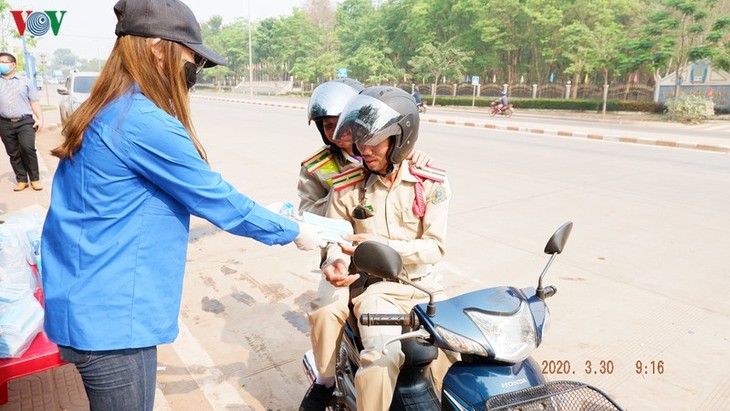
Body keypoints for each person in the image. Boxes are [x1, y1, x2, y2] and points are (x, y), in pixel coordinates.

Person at [40, 1, 322, 410]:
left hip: (88, 301)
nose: (192, 72)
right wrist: (295, 231)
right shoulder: (140, 120)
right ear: (159, 49)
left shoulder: (108, 108)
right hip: (114, 320)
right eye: (191, 59)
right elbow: (218, 199)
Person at [299, 81, 431, 410]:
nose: (340, 133)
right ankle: (325, 380)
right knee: (328, 310)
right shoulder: (319, 168)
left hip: (394, 268)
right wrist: (345, 187)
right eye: (329, 126)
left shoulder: (398, 157)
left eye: (349, 123)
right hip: (344, 259)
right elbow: (316, 219)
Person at [0, 52, 45, 191]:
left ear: (12, 65)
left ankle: (35, 179)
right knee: (13, 152)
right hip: (4, 122)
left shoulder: (25, 81)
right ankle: (21, 179)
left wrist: (40, 119)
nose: (0, 65)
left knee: (28, 148)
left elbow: (34, 102)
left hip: (25, 121)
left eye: (3, 62)